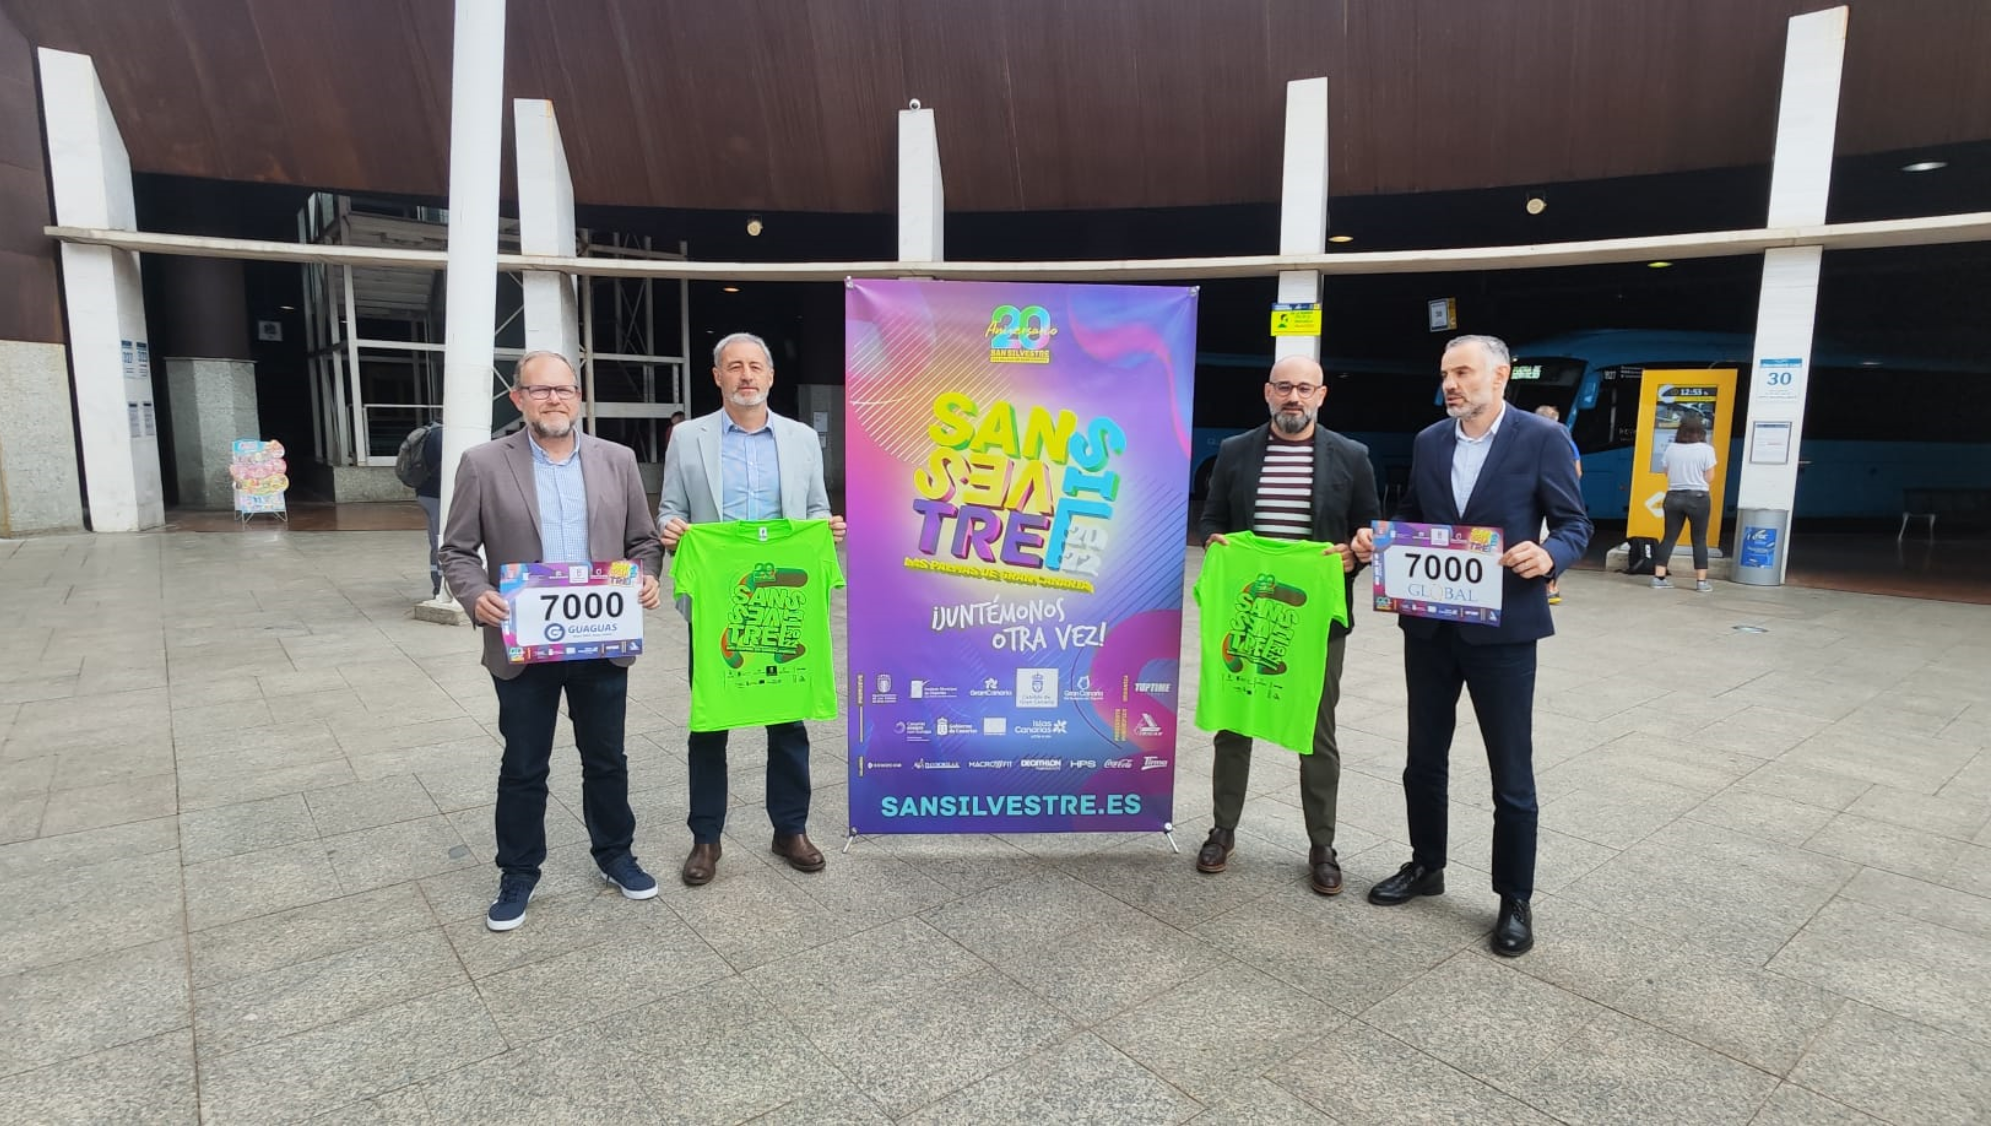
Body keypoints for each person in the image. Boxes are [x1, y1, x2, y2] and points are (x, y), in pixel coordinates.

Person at [1351, 334, 1591, 956]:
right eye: (1445, 373)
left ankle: (1515, 898)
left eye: (1463, 372)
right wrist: (1383, 540)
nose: (1451, 384)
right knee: (1422, 759)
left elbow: (1575, 524)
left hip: (1505, 632)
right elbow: (1412, 512)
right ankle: (1425, 865)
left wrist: (1550, 554)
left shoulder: (1542, 440)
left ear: (1500, 376)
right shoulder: (1431, 439)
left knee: (1511, 771)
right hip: (1429, 628)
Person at [438, 351, 665, 932]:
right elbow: (456, 550)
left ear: (578, 397)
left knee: (607, 759)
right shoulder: (484, 464)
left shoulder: (615, 460)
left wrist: (645, 578)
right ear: (518, 399)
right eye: (539, 391)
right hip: (523, 646)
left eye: (563, 390)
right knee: (523, 764)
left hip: (600, 640)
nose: (553, 400)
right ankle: (518, 871)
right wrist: (475, 595)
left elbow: (643, 541)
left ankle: (616, 855)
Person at [658, 332, 845, 887]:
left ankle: (790, 828)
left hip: (784, 603)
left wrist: (828, 529)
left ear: (770, 377)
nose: (746, 376)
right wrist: (668, 529)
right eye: (734, 367)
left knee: (788, 721)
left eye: (756, 366)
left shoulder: (800, 438)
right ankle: (706, 838)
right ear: (716, 377)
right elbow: (670, 507)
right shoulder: (687, 438)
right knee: (710, 722)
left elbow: (816, 508)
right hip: (721, 605)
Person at [1193, 354, 1378, 896]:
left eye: (1304, 388)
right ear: (1267, 392)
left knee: (1316, 732)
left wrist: (1356, 555)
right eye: (1284, 388)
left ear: (1322, 395)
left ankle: (1323, 846)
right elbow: (1212, 517)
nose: (1293, 397)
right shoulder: (1234, 451)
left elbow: (1366, 527)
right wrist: (1215, 542)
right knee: (1235, 722)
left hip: (1316, 617)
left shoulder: (1352, 456)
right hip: (1250, 612)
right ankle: (1222, 832)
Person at [1654, 415, 1717, 592]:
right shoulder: (1706, 450)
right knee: (1699, 539)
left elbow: (1666, 472)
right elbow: (1710, 477)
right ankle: (1701, 582)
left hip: (1673, 496)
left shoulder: (1671, 449)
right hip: (1698, 497)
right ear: (1700, 431)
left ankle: (1659, 577)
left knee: (1669, 537)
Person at [1532, 405, 1583, 605]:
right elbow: (1578, 472)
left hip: (1534, 504)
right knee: (1551, 544)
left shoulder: (1523, 440)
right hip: (1554, 502)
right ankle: (1551, 588)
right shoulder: (1566, 441)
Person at [415, 421, 444, 597]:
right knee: (441, 541)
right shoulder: (441, 437)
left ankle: (438, 582)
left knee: (436, 540)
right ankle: (439, 584)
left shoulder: (430, 433)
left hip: (426, 493)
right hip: (437, 494)